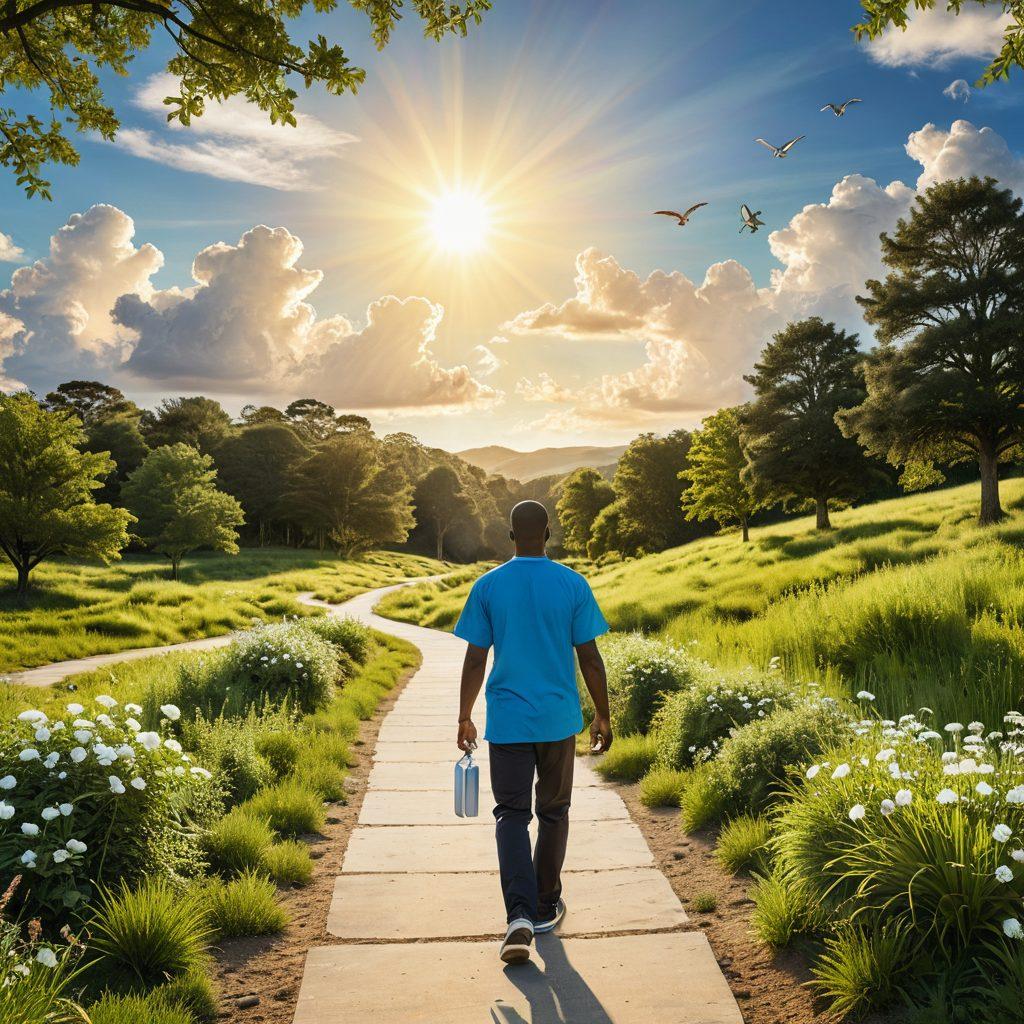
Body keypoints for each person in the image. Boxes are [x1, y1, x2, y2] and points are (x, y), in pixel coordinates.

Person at [453, 499, 613, 965]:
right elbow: (590, 657)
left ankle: (518, 916)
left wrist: (465, 715)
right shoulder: (571, 583)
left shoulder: (488, 586)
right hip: (559, 721)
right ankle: (545, 905)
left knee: (511, 816)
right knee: (555, 811)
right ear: (548, 533)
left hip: (507, 723)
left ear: (510, 535)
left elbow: (475, 658)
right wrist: (603, 715)